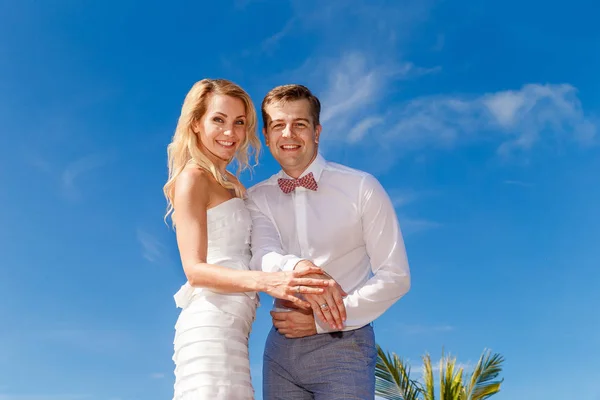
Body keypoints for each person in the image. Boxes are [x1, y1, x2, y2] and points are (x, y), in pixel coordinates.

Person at [163, 79, 334, 400]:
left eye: (239, 123)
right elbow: (195, 271)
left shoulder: (232, 184)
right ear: (196, 123)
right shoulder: (193, 178)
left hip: (235, 332)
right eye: (218, 119)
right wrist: (269, 282)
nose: (230, 132)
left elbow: (256, 250)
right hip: (209, 327)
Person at [246, 84, 411, 399]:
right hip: (280, 346)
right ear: (267, 136)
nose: (289, 134)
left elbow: (396, 276)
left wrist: (322, 321)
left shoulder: (361, 187)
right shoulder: (257, 198)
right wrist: (299, 266)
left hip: (344, 343)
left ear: (317, 131)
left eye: (300, 124)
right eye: (278, 125)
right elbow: (263, 254)